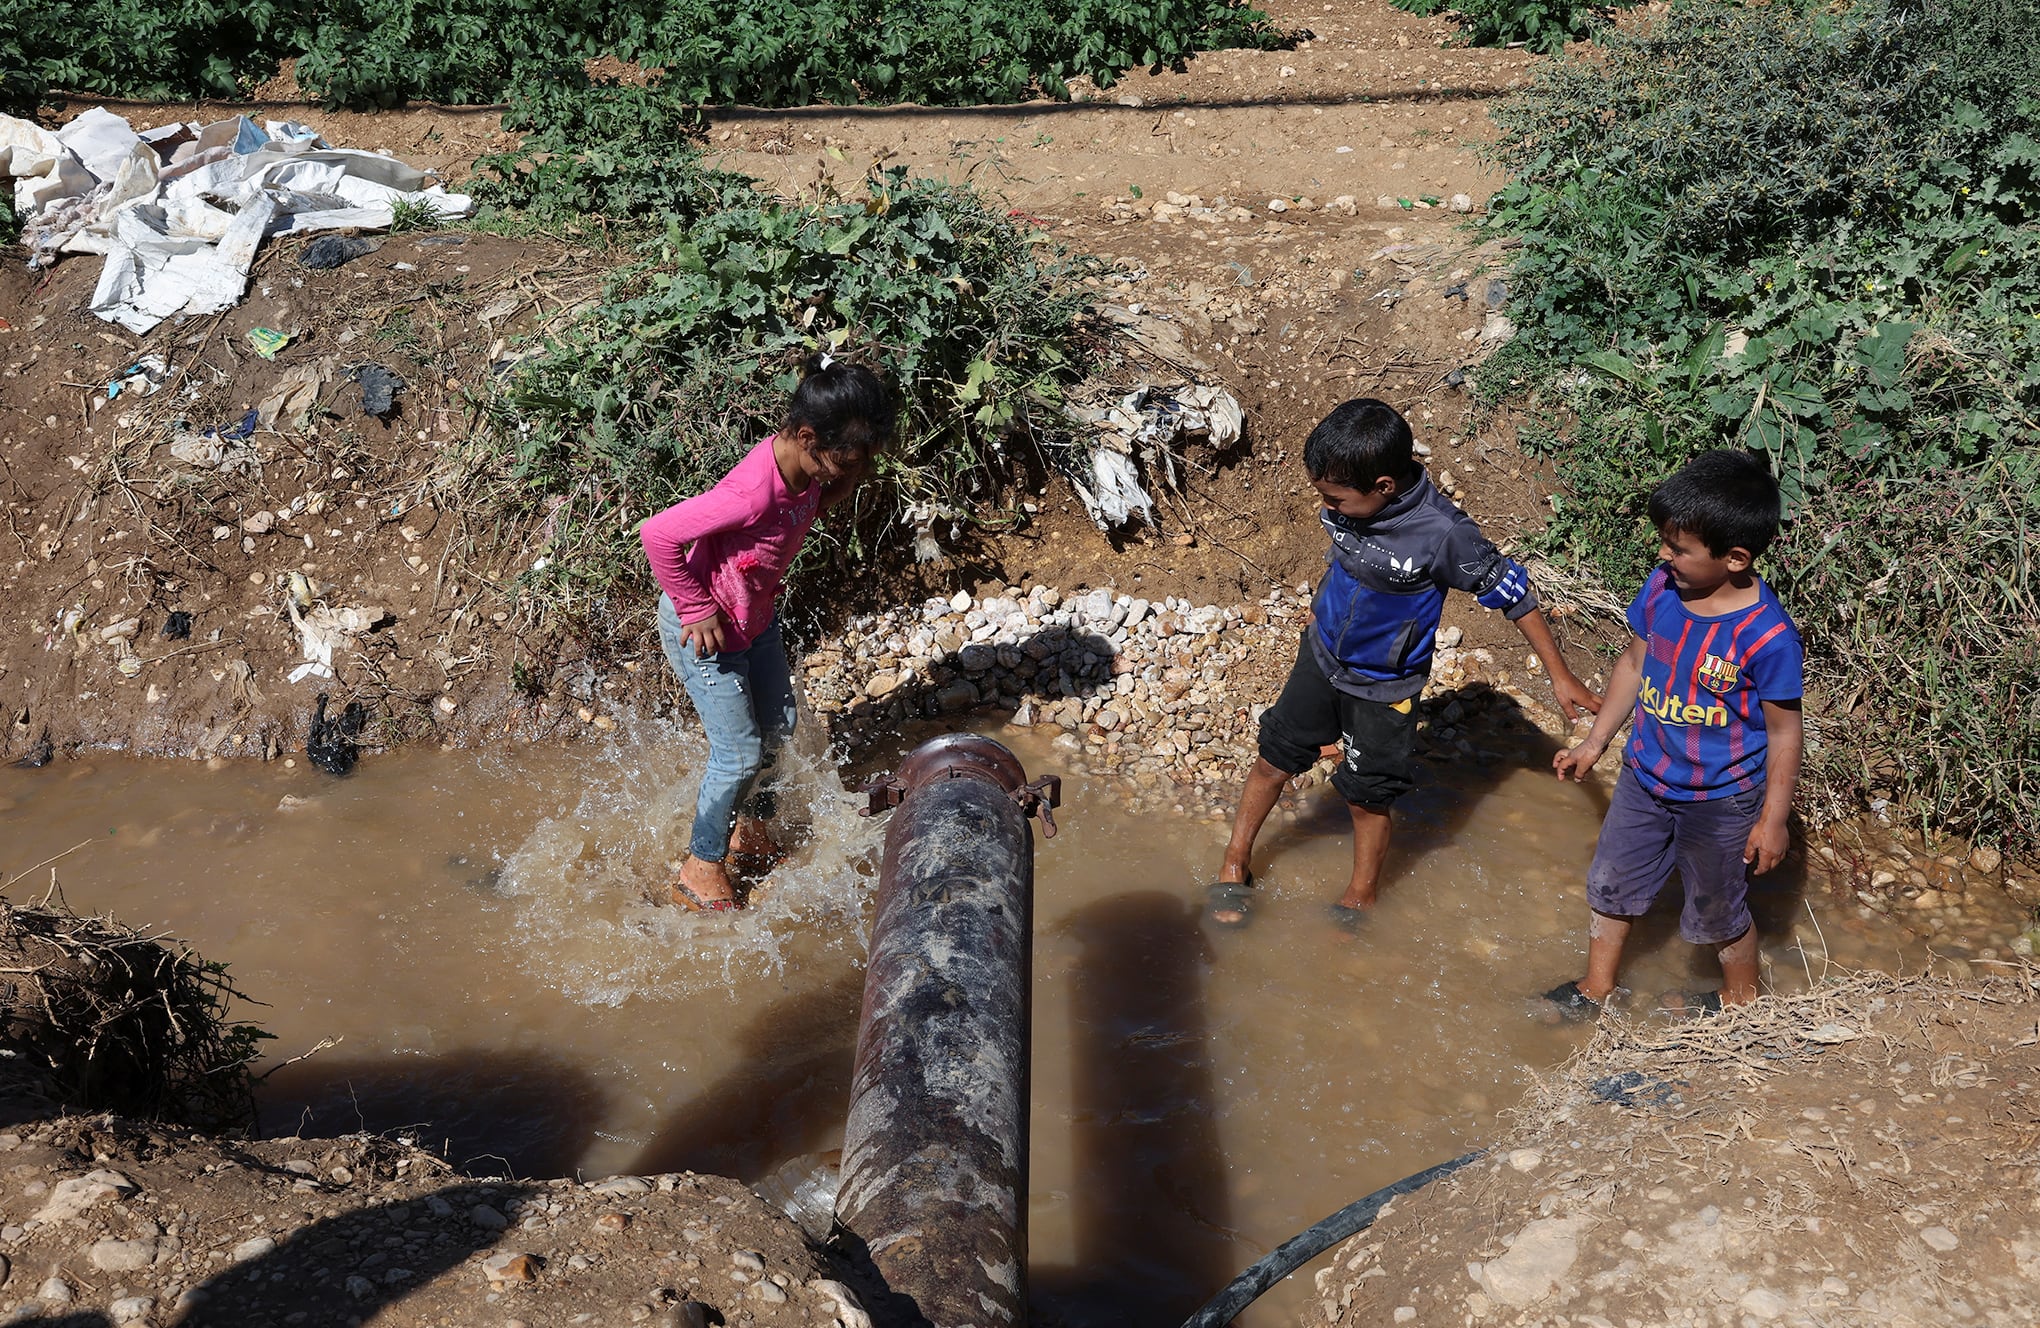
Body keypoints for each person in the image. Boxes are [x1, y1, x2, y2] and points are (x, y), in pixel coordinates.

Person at [1207, 398, 1601, 928]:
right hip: (1320, 658)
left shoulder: (1442, 533)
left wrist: (1560, 675)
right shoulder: (1352, 499)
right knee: (1273, 760)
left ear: (1385, 486)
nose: (1329, 508)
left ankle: (1359, 897)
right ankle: (1235, 863)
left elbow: (1515, 596)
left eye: (1336, 499)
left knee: (1367, 797)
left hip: (1384, 687)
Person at [1545, 449, 1803, 1019]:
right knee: (1610, 883)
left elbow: (1786, 735)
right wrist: (1595, 743)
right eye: (1664, 541)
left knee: (1718, 910)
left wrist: (1773, 819)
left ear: (1735, 558)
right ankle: (1595, 989)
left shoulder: (1767, 637)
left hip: (1721, 800)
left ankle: (1742, 1001)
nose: (1664, 555)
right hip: (1644, 778)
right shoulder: (1663, 590)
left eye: (1679, 547)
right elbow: (1634, 666)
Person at [640, 354, 895, 912]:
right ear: (806, 436)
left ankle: (748, 833)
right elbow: (657, 534)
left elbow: (810, 502)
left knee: (779, 731)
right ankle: (699, 867)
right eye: (844, 462)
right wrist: (693, 605)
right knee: (738, 753)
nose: (850, 474)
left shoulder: (806, 469)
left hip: (755, 620)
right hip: (706, 632)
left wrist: (834, 485)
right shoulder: (752, 493)